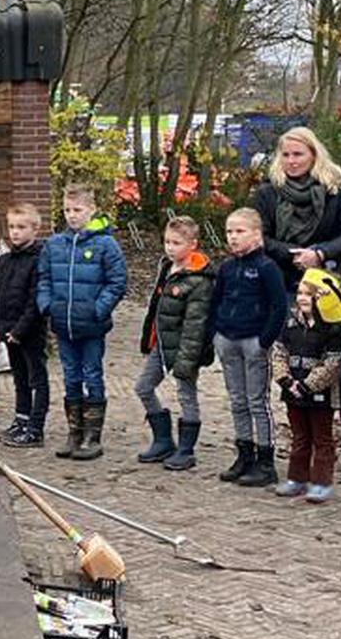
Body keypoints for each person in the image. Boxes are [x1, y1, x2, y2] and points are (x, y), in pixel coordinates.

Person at [252, 127, 341, 475]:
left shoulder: (336, 189)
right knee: (294, 360)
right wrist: (292, 255)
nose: (291, 161)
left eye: (298, 154)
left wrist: (320, 252)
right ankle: (304, 441)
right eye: (285, 155)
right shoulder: (268, 193)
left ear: (314, 155)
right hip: (285, 284)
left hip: (327, 285)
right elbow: (261, 236)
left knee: (339, 365)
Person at [36, 184, 128, 462]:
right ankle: (74, 431)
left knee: (92, 374)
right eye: (67, 210)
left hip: (91, 325)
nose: (72, 215)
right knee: (70, 376)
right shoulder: (54, 245)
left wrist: (98, 309)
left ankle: (92, 435)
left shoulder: (105, 244)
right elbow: (44, 278)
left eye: (77, 210)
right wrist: (47, 306)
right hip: (64, 323)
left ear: (91, 210)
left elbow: (117, 282)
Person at [212, 208, 288, 486]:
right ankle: (244, 453)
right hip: (227, 338)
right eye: (229, 232)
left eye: (240, 231)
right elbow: (215, 300)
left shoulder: (267, 268)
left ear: (256, 234)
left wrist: (264, 341)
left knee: (257, 401)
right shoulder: (226, 268)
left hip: (254, 341)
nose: (233, 237)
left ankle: (266, 460)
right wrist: (215, 333)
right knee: (237, 399)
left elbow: (279, 307)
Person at [133, 217, 216, 469]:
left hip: (184, 348)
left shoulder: (199, 279)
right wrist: (148, 340)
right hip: (161, 344)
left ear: (193, 244)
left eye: (177, 243)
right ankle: (163, 440)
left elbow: (196, 325)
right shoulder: (166, 267)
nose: (170, 247)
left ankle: (186, 448)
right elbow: (156, 309)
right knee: (143, 387)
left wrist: (186, 360)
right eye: (167, 242)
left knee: (186, 395)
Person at [272, 270, 341, 504]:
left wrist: (309, 385)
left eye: (310, 294)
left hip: (321, 395)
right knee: (299, 436)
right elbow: (279, 353)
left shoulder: (331, 328)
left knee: (322, 438)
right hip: (292, 392)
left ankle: (321, 482)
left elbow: (334, 362)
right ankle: (297, 478)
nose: (303, 298)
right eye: (300, 293)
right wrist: (285, 379)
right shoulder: (289, 324)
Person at [0, 203, 49, 448]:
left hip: (30, 333)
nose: (15, 232)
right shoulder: (4, 260)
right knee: (19, 378)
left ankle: (35, 428)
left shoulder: (39, 260)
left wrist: (20, 330)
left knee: (37, 379)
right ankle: (21, 419)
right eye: (12, 227)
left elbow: (35, 301)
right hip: (8, 331)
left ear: (35, 229)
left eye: (21, 227)